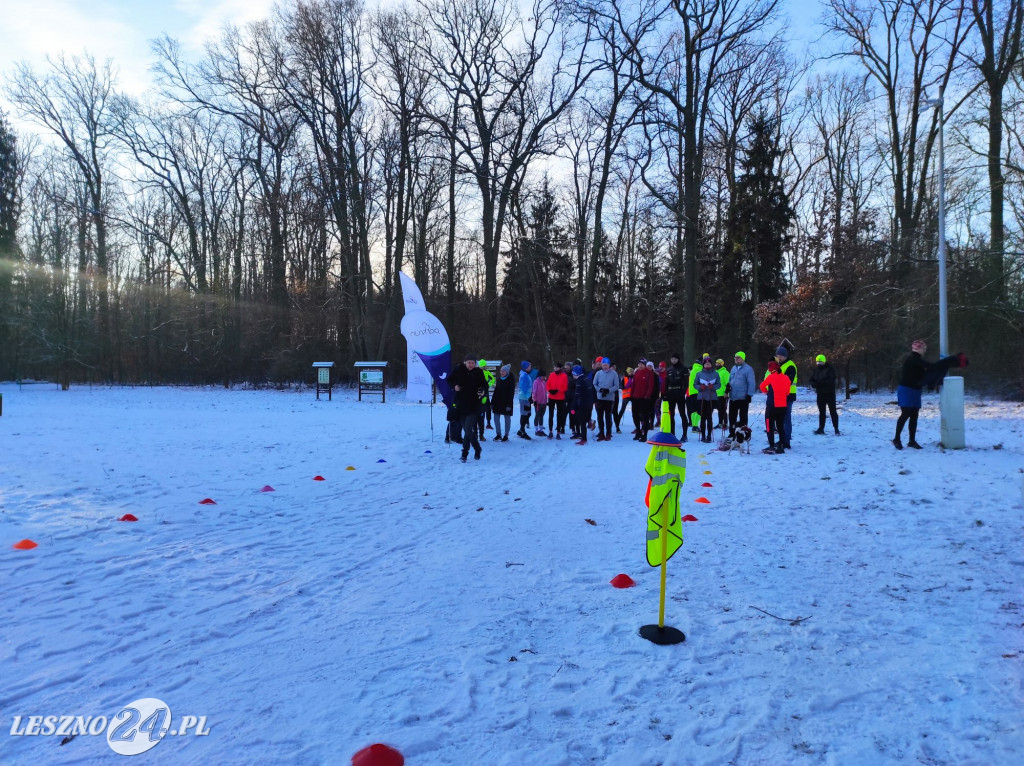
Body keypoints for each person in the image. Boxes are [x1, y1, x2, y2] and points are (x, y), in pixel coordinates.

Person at [893, 340, 968, 449]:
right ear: (919, 349)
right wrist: (949, 361)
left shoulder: (917, 360)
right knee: (906, 413)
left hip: (915, 389)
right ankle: (896, 439)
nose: (925, 350)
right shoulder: (913, 359)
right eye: (924, 348)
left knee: (914, 415)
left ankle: (912, 441)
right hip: (906, 389)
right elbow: (931, 367)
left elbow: (925, 372)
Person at [449, 355, 488, 462]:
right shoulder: (458, 370)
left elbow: (485, 385)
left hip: (473, 405)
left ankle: (464, 454)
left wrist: (483, 391)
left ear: (475, 364)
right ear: (465, 362)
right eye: (469, 362)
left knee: (467, 430)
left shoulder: (478, 372)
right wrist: (454, 386)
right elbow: (449, 380)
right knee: (467, 430)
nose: (471, 365)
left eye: (473, 363)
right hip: (461, 406)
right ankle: (478, 448)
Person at [760, 361, 789, 454]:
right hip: (783, 406)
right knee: (780, 426)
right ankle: (781, 445)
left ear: (770, 369)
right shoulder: (786, 378)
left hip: (772, 406)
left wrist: (766, 392)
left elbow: (762, 386)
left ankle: (771, 445)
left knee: (769, 426)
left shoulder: (771, 377)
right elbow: (787, 392)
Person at [774, 345, 798, 449]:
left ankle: (786, 441)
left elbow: (788, 381)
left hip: (788, 396)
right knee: (780, 419)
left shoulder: (790, 366)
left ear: (784, 356)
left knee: (786, 419)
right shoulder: (779, 365)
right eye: (777, 355)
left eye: (779, 356)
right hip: (779, 396)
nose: (778, 357)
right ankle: (782, 439)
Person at [809, 354, 840, 435]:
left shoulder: (830, 369)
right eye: (817, 362)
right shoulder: (816, 370)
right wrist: (814, 384)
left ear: (824, 361)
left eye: (820, 362)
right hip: (820, 393)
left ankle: (836, 429)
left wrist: (820, 383)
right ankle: (821, 428)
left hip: (830, 393)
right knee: (821, 412)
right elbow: (811, 379)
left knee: (832, 411)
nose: (819, 363)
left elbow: (831, 380)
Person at [727, 351, 756, 436]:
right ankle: (732, 432)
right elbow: (730, 380)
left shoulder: (748, 369)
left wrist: (749, 395)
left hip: (743, 397)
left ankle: (744, 432)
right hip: (733, 396)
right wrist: (728, 387)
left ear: (743, 358)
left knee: (743, 416)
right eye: (735, 357)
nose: (736, 359)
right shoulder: (733, 368)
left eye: (738, 357)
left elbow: (751, 383)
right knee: (732, 416)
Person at [662, 353, 689, 440]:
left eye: (675, 359)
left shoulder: (683, 369)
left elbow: (686, 383)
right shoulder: (669, 369)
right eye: (672, 359)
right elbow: (666, 383)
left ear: (678, 359)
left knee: (682, 414)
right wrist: (665, 394)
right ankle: (672, 433)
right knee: (671, 414)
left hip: (679, 393)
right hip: (670, 394)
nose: (673, 360)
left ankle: (684, 435)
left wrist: (683, 392)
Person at [593, 357, 620, 441]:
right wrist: (600, 390)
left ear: (609, 365)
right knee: (600, 416)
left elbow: (616, 386)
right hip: (600, 397)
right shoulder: (598, 373)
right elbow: (594, 383)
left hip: (609, 398)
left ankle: (608, 433)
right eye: (603, 365)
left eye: (606, 365)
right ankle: (601, 433)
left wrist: (609, 390)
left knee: (608, 416)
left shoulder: (614, 374)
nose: (605, 367)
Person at [694, 356, 721, 443]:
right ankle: (702, 435)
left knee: (709, 417)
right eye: (706, 364)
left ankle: (709, 435)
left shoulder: (715, 373)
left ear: (711, 364)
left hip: (711, 397)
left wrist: (712, 387)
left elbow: (719, 384)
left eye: (709, 364)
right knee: (702, 417)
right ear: (703, 365)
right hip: (701, 397)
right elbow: (695, 384)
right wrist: (700, 387)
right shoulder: (699, 374)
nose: (707, 365)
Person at [630, 359, 656, 441]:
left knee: (645, 416)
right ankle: (638, 431)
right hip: (636, 397)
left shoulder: (649, 373)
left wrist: (647, 395)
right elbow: (633, 384)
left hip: (644, 398)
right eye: (639, 364)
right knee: (635, 415)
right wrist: (631, 395)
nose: (640, 366)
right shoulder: (637, 372)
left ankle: (645, 434)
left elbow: (650, 385)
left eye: (642, 364)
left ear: (645, 365)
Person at [569, 364, 595, 445]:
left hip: (583, 404)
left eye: (573, 374)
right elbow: (593, 391)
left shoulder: (579, 382)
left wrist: (573, 408)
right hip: (590, 403)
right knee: (585, 417)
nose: (572, 375)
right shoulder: (587, 378)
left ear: (576, 374)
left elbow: (577, 396)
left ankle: (584, 439)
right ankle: (590, 421)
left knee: (582, 422)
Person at [490, 364, 516, 441]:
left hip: (507, 402)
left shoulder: (511, 380)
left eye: (503, 371)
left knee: (507, 419)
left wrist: (509, 405)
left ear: (507, 372)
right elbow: (496, 391)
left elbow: (511, 393)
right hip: (498, 402)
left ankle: (506, 435)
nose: (501, 372)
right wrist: (492, 403)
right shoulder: (499, 379)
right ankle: (498, 434)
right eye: (501, 371)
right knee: (496, 418)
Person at [546, 362, 569, 439]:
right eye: (555, 367)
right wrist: (550, 390)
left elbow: (565, 387)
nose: (555, 368)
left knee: (559, 415)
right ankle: (550, 431)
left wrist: (558, 390)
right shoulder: (551, 375)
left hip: (560, 398)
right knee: (550, 415)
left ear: (560, 368)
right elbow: (547, 385)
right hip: (551, 397)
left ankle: (558, 432)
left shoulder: (564, 376)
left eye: (557, 367)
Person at [516, 361, 534, 440]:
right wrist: (528, 397)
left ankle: (521, 430)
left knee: (528, 413)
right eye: (529, 366)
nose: (531, 368)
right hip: (524, 397)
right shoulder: (524, 376)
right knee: (524, 414)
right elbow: (523, 387)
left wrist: (530, 396)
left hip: (526, 397)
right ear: (525, 367)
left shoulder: (525, 375)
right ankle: (522, 431)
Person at [686, 357, 703, 432]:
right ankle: (695, 426)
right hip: (698, 391)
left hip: (692, 392)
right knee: (699, 410)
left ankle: (694, 425)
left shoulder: (693, 369)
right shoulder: (699, 369)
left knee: (694, 410)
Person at [531, 369, 549, 437]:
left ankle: (541, 430)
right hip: (538, 402)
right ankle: (536, 430)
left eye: (544, 376)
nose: (544, 377)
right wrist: (534, 400)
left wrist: (546, 400)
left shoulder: (544, 382)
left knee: (542, 416)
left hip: (544, 401)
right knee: (537, 415)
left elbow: (546, 391)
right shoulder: (536, 382)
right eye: (543, 376)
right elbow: (534, 392)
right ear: (540, 376)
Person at [616, 366, 633, 433]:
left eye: (631, 371)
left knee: (636, 410)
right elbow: (623, 387)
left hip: (632, 396)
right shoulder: (624, 378)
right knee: (622, 410)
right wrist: (628, 383)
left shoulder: (634, 377)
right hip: (626, 396)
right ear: (627, 372)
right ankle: (617, 422)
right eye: (629, 371)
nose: (631, 373)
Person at [714, 358, 730, 428]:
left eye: (719, 363)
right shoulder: (715, 372)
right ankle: (720, 423)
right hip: (716, 394)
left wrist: (726, 392)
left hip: (723, 394)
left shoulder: (725, 372)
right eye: (716, 363)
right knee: (719, 409)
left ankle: (725, 423)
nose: (717, 364)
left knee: (723, 409)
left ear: (721, 364)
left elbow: (728, 383)